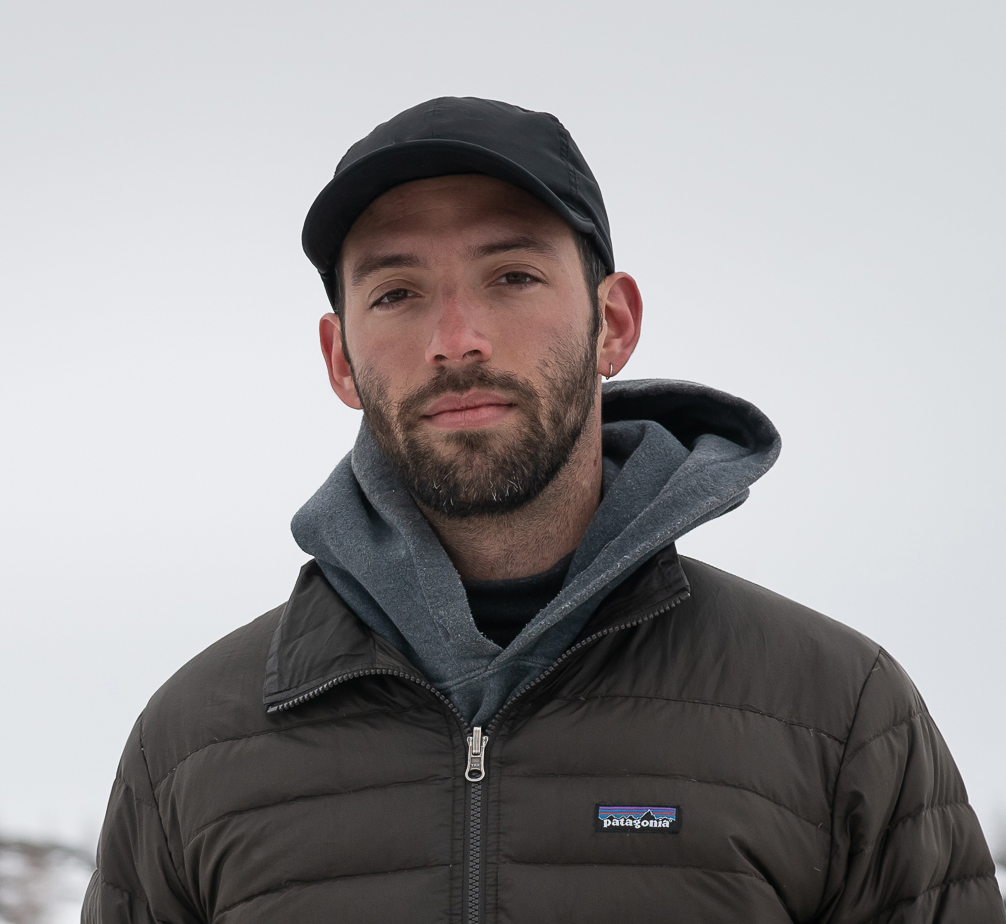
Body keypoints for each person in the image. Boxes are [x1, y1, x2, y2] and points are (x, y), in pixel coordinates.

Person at [83, 97, 1004, 924]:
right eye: (397, 293)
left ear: (614, 324)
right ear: (340, 359)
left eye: (513, 276)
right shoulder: (194, 745)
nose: (457, 341)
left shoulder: (834, 711)